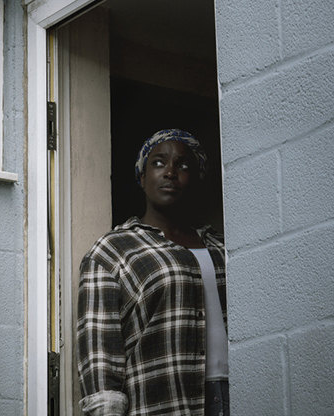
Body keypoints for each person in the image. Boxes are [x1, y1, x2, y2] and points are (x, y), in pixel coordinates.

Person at [76, 129, 229, 416]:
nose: (170, 172)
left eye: (183, 165)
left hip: (237, 392)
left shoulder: (223, 248)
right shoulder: (112, 251)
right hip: (161, 401)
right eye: (159, 163)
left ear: (196, 178)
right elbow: (100, 356)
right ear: (142, 177)